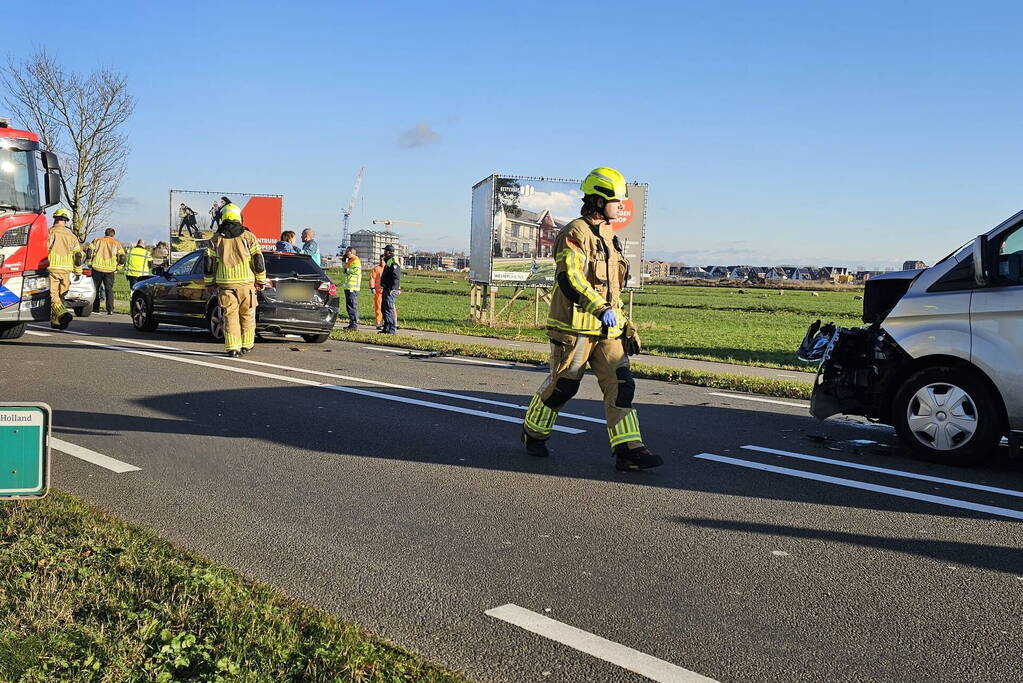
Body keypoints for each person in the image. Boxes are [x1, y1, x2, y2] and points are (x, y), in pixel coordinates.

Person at [521, 167, 661, 472]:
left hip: (607, 330)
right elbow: (570, 278)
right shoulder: (574, 233)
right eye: (616, 200)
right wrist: (600, 308)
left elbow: (613, 290)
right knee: (564, 387)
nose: (621, 205)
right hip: (575, 330)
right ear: (598, 201)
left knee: (621, 384)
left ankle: (628, 451)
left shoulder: (611, 237)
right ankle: (533, 432)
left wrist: (627, 324)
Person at [203, 202, 266, 357]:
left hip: (226, 284)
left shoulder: (215, 239)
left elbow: (209, 263)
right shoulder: (248, 236)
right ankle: (247, 345)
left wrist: (209, 283)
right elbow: (258, 260)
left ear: (223, 217)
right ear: (239, 217)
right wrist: (261, 280)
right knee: (247, 314)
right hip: (246, 284)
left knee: (229, 316)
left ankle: (233, 348)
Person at [46, 208, 82, 329]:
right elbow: (78, 256)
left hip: (52, 268)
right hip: (66, 270)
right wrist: (78, 271)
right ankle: (57, 322)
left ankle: (63, 314)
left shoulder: (49, 233)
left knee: (52, 295)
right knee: (61, 295)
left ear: (55, 218)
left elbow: (42, 250)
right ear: (66, 221)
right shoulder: (72, 236)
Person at [88, 228, 125, 315]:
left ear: (105, 233)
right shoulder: (116, 243)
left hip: (97, 267)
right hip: (110, 269)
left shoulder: (97, 240)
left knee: (95, 289)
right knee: (109, 290)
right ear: (113, 235)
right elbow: (122, 257)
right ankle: (110, 309)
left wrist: (90, 263)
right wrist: (118, 267)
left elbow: (89, 251)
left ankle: (95, 308)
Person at [379, 244, 400, 334]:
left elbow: (396, 276)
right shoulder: (388, 261)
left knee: (389, 309)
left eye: (386, 251)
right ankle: (386, 328)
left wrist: (392, 288)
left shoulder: (393, 261)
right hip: (386, 288)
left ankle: (392, 329)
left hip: (390, 289)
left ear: (390, 252)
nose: (384, 252)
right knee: (384, 308)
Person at [341, 246, 361, 330]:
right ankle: (352, 323)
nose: (346, 254)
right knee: (349, 306)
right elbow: (344, 269)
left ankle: (354, 324)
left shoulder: (356, 261)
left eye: (347, 253)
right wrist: (343, 261)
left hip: (353, 287)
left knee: (352, 306)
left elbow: (355, 271)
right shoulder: (350, 260)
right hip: (348, 286)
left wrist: (347, 270)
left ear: (352, 252)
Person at [369, 255, 386, 329]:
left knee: (390, 308)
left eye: (383, 260)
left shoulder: (388, 269)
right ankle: (379, 323)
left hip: (387, 292)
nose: (382, 261)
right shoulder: (376, 269)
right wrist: (372, 288)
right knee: (378, 308)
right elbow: (372, 278)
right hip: (378, 292)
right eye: (381, 260)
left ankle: (391, 322)